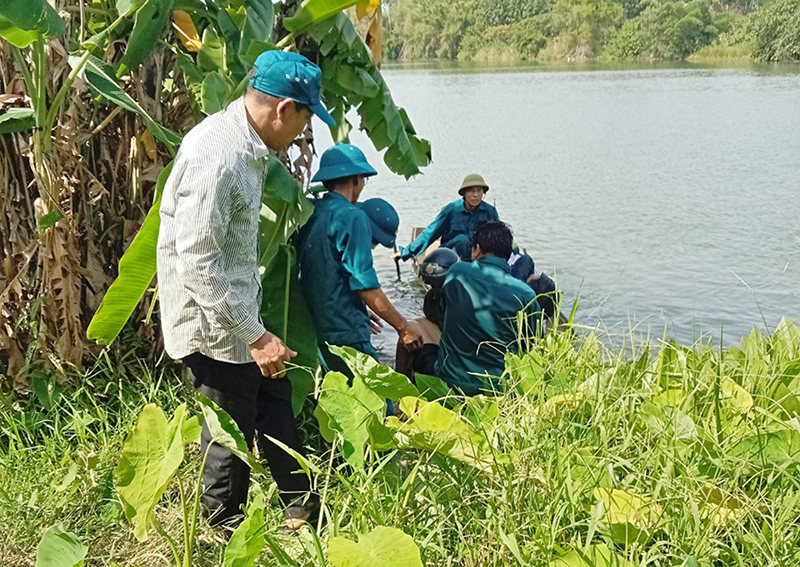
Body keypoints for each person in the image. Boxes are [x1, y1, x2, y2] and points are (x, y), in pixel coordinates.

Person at [156, 50, 336, 530]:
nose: (303, 131)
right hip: (215, 325)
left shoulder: (247, 145)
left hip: (241, 317)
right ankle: (222, 534)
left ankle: (302, 511)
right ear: (283, 110)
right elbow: (196, 260)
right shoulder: (221, 156)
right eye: (304, 118)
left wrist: (255, 331)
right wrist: (253, 336)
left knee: (274, 401)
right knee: (229, 435)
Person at [298, 143, 424, 377]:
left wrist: (359, 309)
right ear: (356, 179)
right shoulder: (352, 216)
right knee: (377, 401)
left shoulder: (313, 210)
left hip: (319, 326)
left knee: (342, 396)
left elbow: (324, 271)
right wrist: (403, 326)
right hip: (346, 329)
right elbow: (364, 284)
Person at [413, 221, 543, 395]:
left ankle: (403, 396)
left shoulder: (456, 273)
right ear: (508, 255)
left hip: (452, 382)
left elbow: (439, 312)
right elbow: (531, 344)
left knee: (413, 326)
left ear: (476, 249)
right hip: (500, 389)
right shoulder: (526, 293)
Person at [393, 173, 499, 262]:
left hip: (477, 256)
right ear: (464, 193)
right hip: (450, 255)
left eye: (479, 191)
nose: (475, 195)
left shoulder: (490, 212)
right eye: (471, 191)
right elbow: (430, 233)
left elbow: (500, 237)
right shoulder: (451, 210)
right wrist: (405, 253)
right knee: (462, 240)